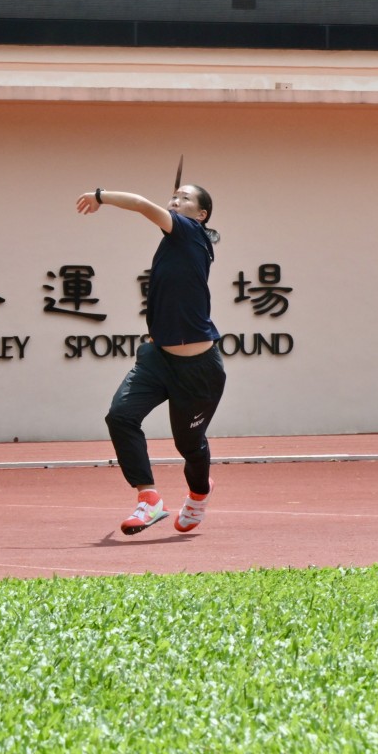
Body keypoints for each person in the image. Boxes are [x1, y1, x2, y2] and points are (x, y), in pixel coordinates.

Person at [76, 183, 226, 535]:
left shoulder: (190, 232)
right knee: (120, 416)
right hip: (157, 359)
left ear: (201, 215)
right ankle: (149, 499)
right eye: (174, 196)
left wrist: (100, 197)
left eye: (185, 198)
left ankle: (199, 494)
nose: (176, 200)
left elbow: (143, 204)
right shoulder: (176, 239)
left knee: (189, 446)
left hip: (197, 368)